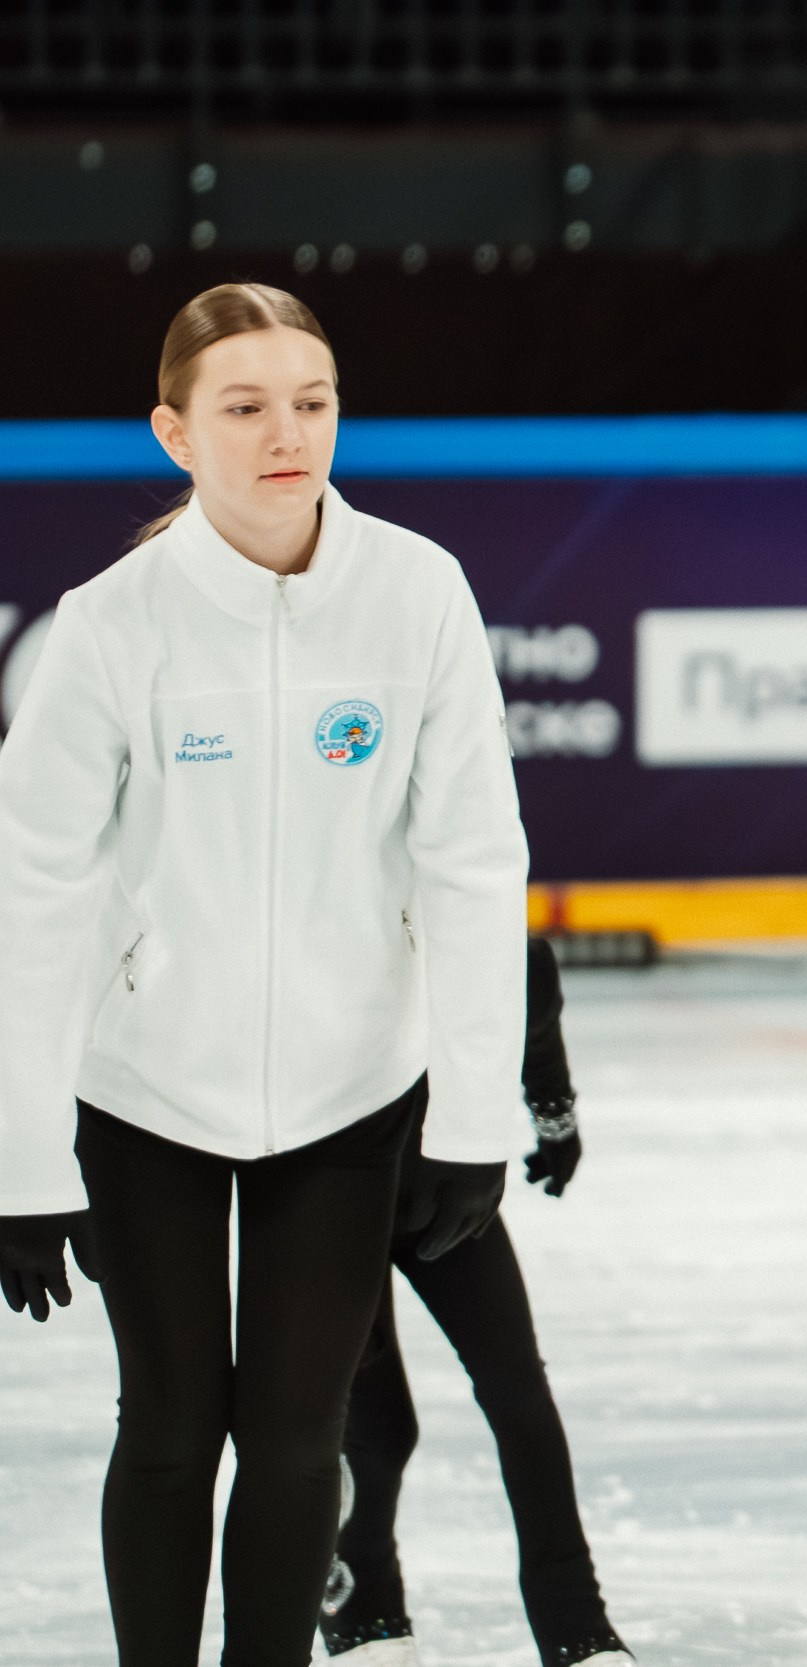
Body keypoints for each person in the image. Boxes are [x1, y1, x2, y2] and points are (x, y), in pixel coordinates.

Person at [0, 284, 526, 1667]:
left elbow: (474, 861)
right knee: (172, 1427)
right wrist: (19, 1159)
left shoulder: (417, 591)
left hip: (353, 1095)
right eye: (245, 406)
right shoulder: (110, 626)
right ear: (174, 431)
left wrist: (474, 1115)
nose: (288, 432)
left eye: (313, 399)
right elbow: (34, 896)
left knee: (299, 1437)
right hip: (148, 1092)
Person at [325, 937, 632, 1666]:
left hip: (446, 1196)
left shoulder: (468, 901)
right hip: (333, 1200)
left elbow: (527, 967)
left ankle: (577, 1626)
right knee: (379, 1423)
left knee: (518, 1392)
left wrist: (554, 1112)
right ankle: (360, 1609)